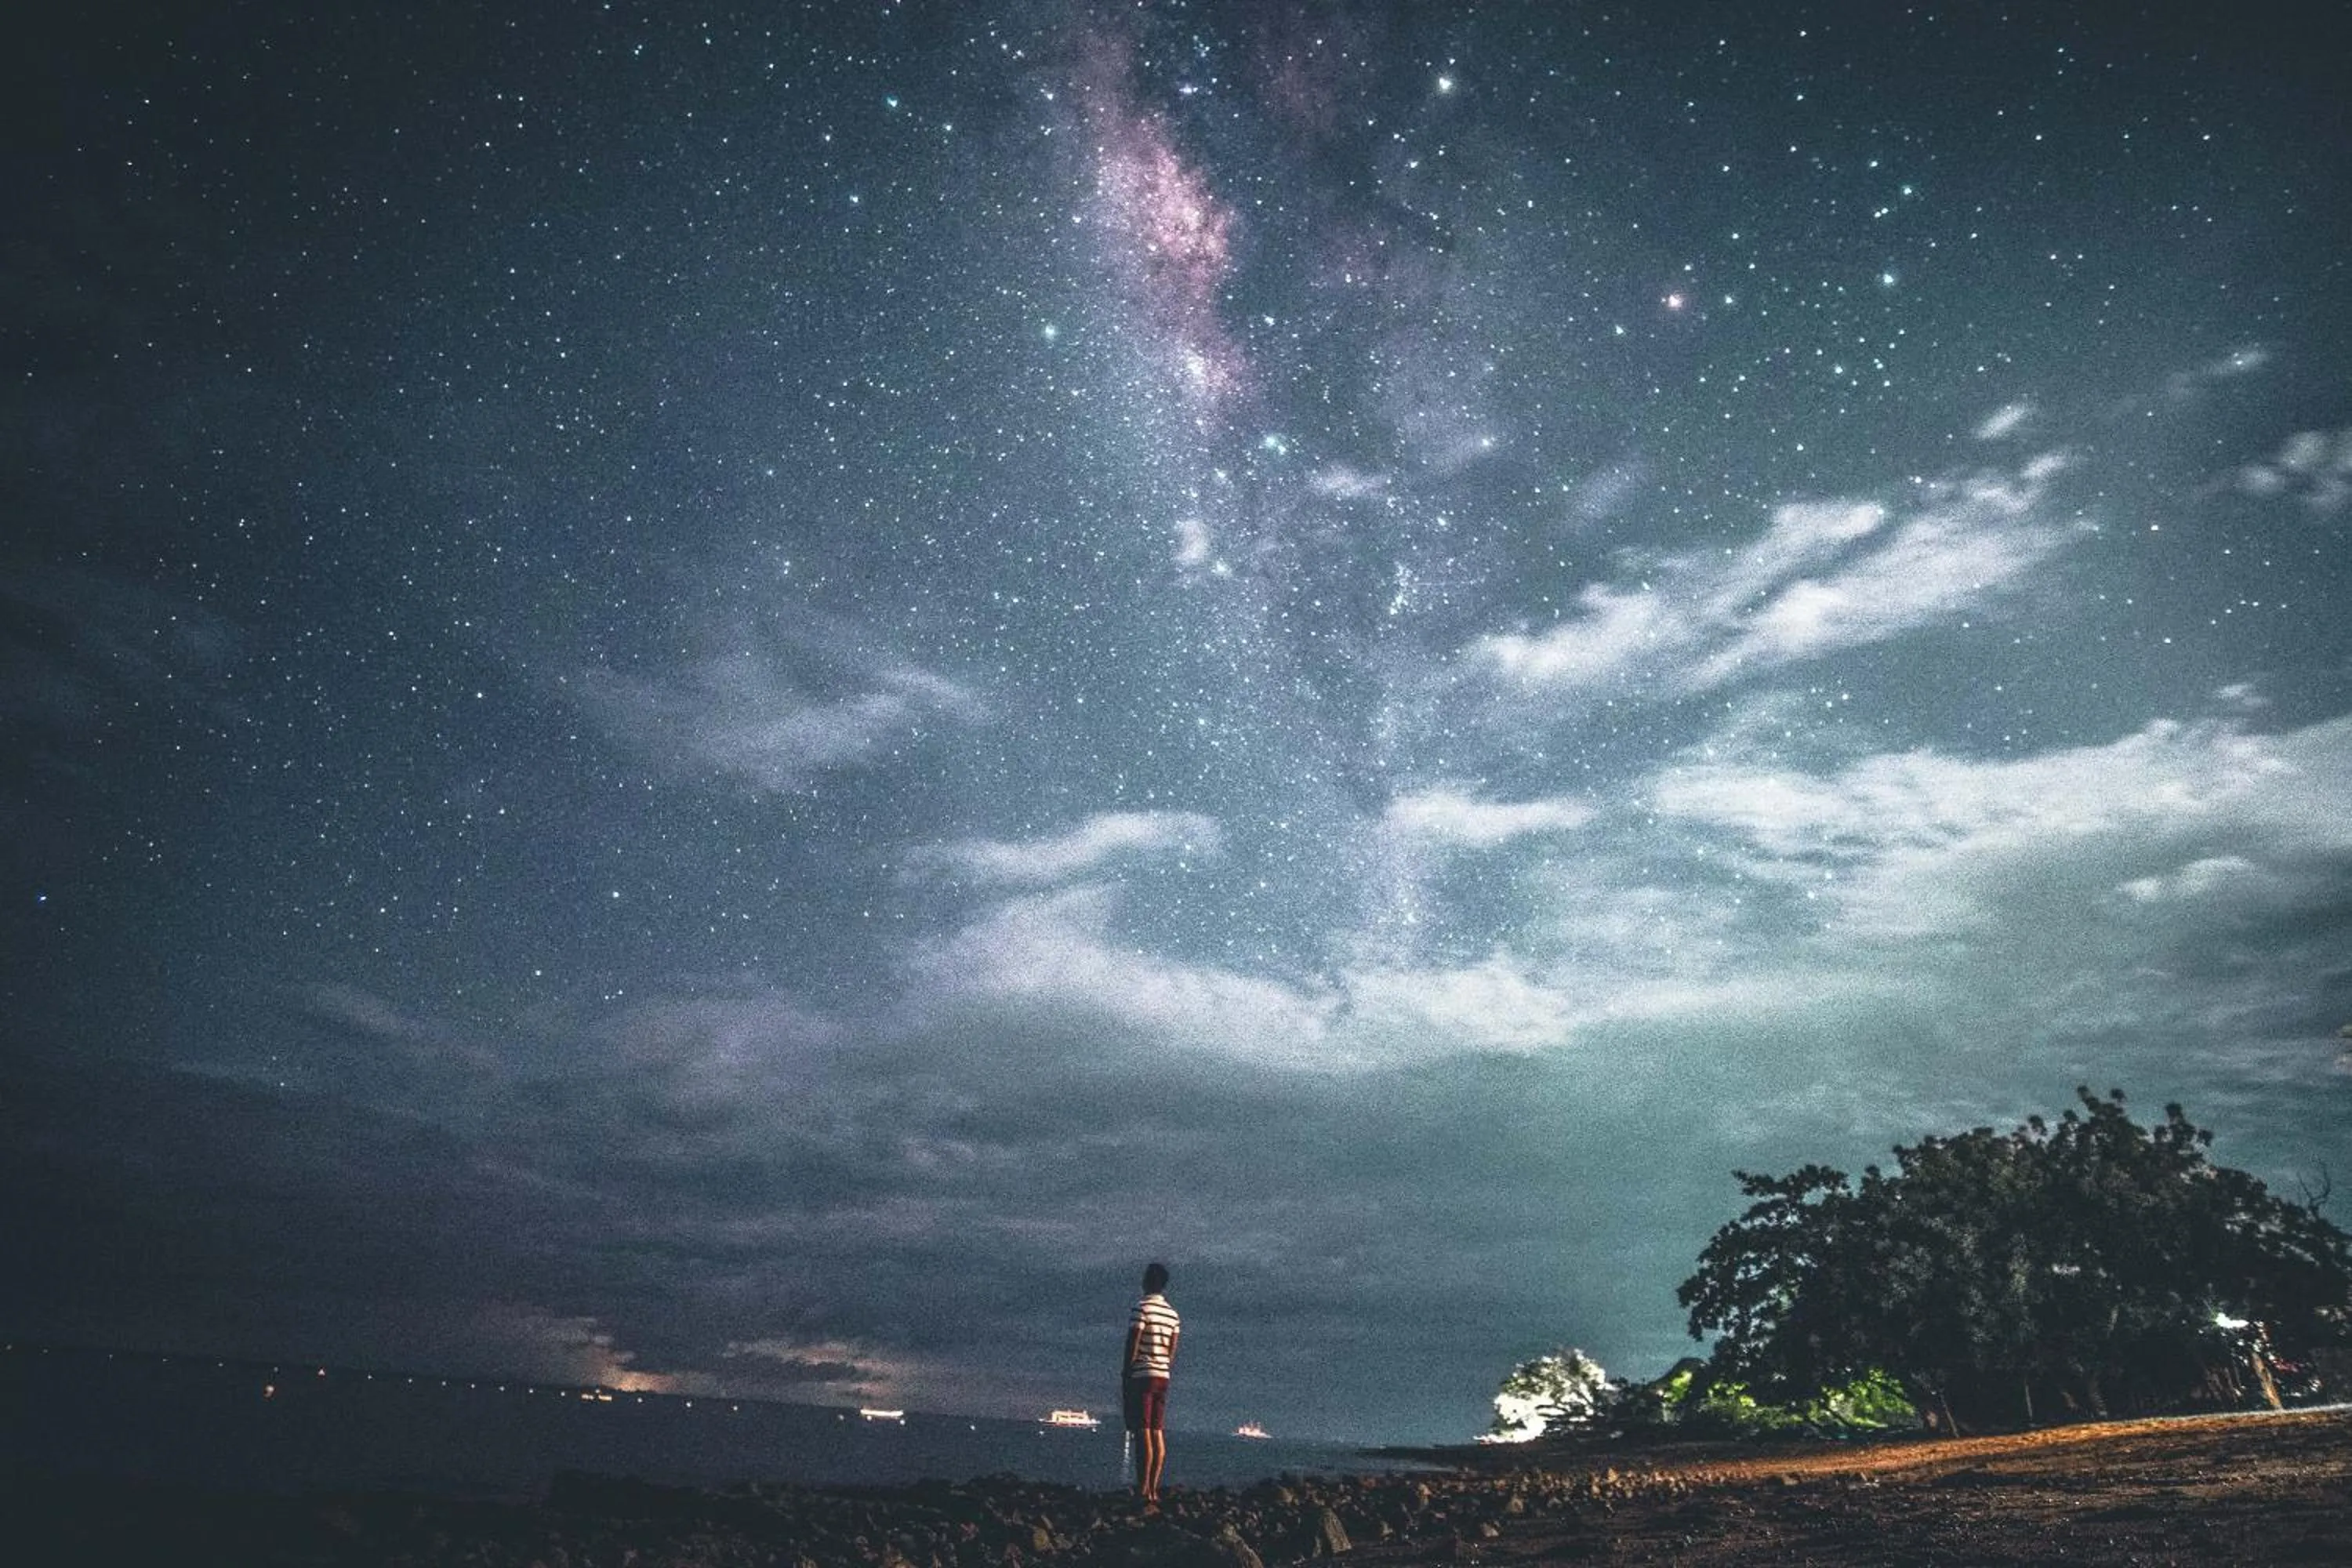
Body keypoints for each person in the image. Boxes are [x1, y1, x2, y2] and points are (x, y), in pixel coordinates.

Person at [1121, 1261, 1180, 1508]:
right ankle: (1154, 1489)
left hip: (1143, 1374)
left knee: (1142, 1429)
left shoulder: (1141, 1308)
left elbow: (1133, 1342)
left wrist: (1127, 1371)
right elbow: (1171, 1350)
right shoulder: (1173, 1315)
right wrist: (1163, 1365)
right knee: (1157, 1430)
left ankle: (1143, 1488)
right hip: (1163, 1376)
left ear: (1146, 1281)